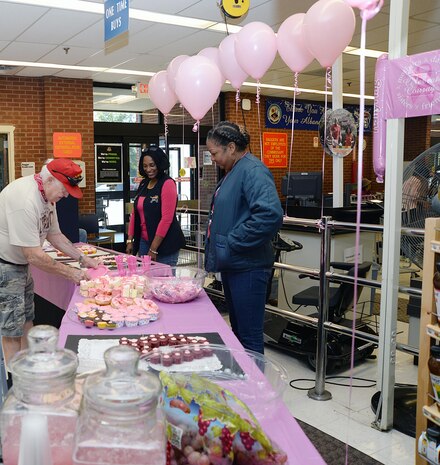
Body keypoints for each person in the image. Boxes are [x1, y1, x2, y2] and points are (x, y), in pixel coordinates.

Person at [0, 158, 99, 366]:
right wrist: (72, 273)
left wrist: (81, 258)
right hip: (6, 266)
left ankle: (31, 367)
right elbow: (33, 255)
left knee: (27, 318)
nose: (65, 195)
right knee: (11, 329)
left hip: (21, 265)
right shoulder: (25, 200)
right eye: (65, 190)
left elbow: (55, 236)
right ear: (51, 180)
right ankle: (14, 382)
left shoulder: (48, 197)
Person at [204, 121, 283, 354]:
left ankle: (256, 388)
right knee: (238, 333)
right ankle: (244, 385)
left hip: (248, 268)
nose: (213, 159)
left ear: (230, 147)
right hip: (235, 265)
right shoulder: (233, 171)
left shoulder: (253, 170)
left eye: (214, 153)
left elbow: (269, 214)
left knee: (249, 337)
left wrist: (231, 242)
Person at [126, 146, 185, 266]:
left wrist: (153, 249)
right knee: (146, 281)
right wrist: (129, 240)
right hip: (144, 241)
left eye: (152, 165)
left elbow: (166, 219)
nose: (148, 169)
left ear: (159, 164)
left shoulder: (167, 183)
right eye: (145, 166)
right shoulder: (143, 183)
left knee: (164, 283)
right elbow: (135, 214)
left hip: (165, 244)